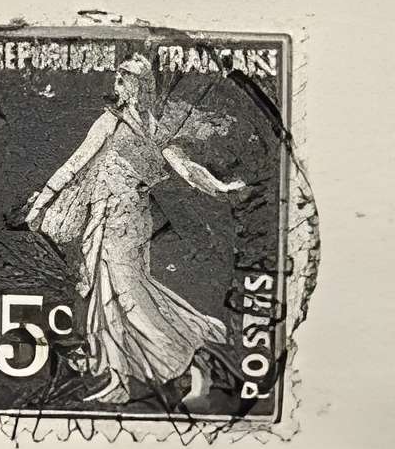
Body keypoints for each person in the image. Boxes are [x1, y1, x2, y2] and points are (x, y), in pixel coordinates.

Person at [22, 54, 246, 407]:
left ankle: (177, 355)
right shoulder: (120, 123)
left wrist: (219, 188)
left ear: (138, 86)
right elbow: (76, 165)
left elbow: (186, 169)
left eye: (124, 80)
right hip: (109, 219)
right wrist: (42, 203)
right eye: (118, 79)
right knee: (109, 293)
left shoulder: (146, 129)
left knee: (123, 294)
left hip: (124, 224)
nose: (118, 86)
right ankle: (123, 376)